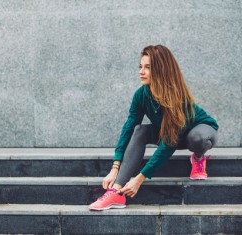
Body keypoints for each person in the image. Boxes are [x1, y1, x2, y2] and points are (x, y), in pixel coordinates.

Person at [89, 45, 219, 211]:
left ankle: (198, 157)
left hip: (200, 131)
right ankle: (116, 193)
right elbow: (129, 128)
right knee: (139, 130)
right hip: (170, 134)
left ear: (161, 70)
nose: (141, 72)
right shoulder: (141, 94)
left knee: (198, 139)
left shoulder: (177, 97)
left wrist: (139, 178)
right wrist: (115, 169)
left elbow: (169, 143)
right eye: (140, 67)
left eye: (148, 67)